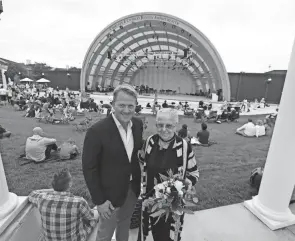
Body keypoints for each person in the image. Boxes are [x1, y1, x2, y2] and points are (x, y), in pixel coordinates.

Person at [82, 84, 144, 241]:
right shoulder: (97, 131)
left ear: (136, 106)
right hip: (109, 196)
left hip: (132, 190)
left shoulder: (137, 125)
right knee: (105, 233)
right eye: (121, 105)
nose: (126, 110)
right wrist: (100, 201)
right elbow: (89, 168)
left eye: (131, 106)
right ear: (113, 105)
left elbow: (133, 153)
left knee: (125, 225)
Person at [139, 108, 199, 241]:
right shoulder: (150, 142)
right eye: (160, 125)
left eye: (169, 125)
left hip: (172, 206)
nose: (164, 129)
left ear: (176, 125)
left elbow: (194, 173)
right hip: (150, 202)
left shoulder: (184, 147)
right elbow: (142, 164)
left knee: (168, 237)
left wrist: (186, 184)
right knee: (151, 233)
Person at [28, 169, 99, 241]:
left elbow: (32, 193)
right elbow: (91, 219)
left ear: (53, 184)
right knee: (96, 214)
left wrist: (54, 189)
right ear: (70, 184)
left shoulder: (41, 199)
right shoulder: (79, 202)